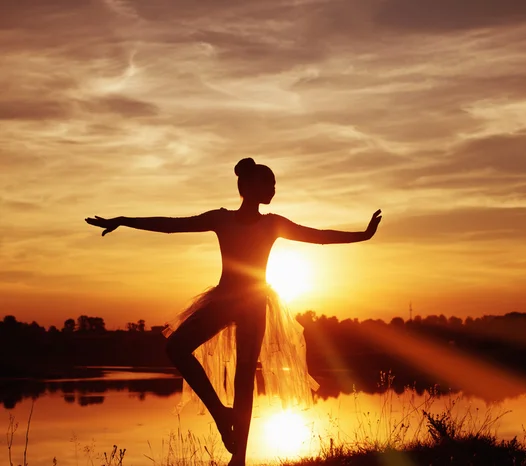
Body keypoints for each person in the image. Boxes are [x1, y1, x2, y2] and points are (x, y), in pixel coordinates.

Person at [85, 158, 382, 465]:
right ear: (248, 187)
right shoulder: (222, 219)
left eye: (275, 185)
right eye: (269, 184)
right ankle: (219, 412)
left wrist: (363, 234)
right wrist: (123, 219)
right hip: (225, 299)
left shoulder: (273, 223)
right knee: (175, 347)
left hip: (254, 303)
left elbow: (318, 235)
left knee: (244, 379)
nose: (274, 189)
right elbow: (172, 225)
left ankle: (238, 458)